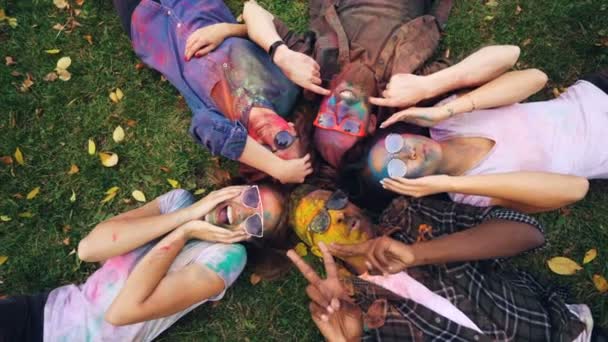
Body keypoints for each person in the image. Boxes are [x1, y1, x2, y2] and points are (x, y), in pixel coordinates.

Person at [285, 185, 594, 340]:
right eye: (320, 221)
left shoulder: (408, 216)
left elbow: (528, 233)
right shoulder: (354, 311)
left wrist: (421, 253)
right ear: (317, 250)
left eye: (336, 201)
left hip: (563, 330)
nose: (339, 214)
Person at [243, 1, 523, 168]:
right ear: (373, 125)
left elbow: (252, 9)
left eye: (329, 118)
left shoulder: (316, 69)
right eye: (350, 125)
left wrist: (280, 52)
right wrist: (430, 86)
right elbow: (508, 54)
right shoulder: (403, 90)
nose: (342, 105)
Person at [0, 185, 291, 341]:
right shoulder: (176, 203)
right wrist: (185, 217)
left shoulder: (226, 258)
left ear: (251, 239)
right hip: (42, 312)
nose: (241, 212)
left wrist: (184, 234)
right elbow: (89, 249)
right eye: (250, 196)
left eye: (255, 221)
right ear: (236, 187)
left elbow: (122, 312)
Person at [113, 0, 312, 184]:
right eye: (282, 141)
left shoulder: (223, 125)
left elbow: (204, 127)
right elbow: (257, 15)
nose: (266, 138)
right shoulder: (286, 86)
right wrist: (224, 30)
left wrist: (277, 168)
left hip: (147, 23)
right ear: (291, 128)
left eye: (265, 150)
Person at [360, 69, 608, 213]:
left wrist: (448, 110)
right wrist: (451, 184)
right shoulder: (471, 195)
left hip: (596, 93)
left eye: (395, 144)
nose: (408, 153)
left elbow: (535, 78)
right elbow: (576, 188)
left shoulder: (447, 120)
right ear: (408, 186)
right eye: (397, 167)